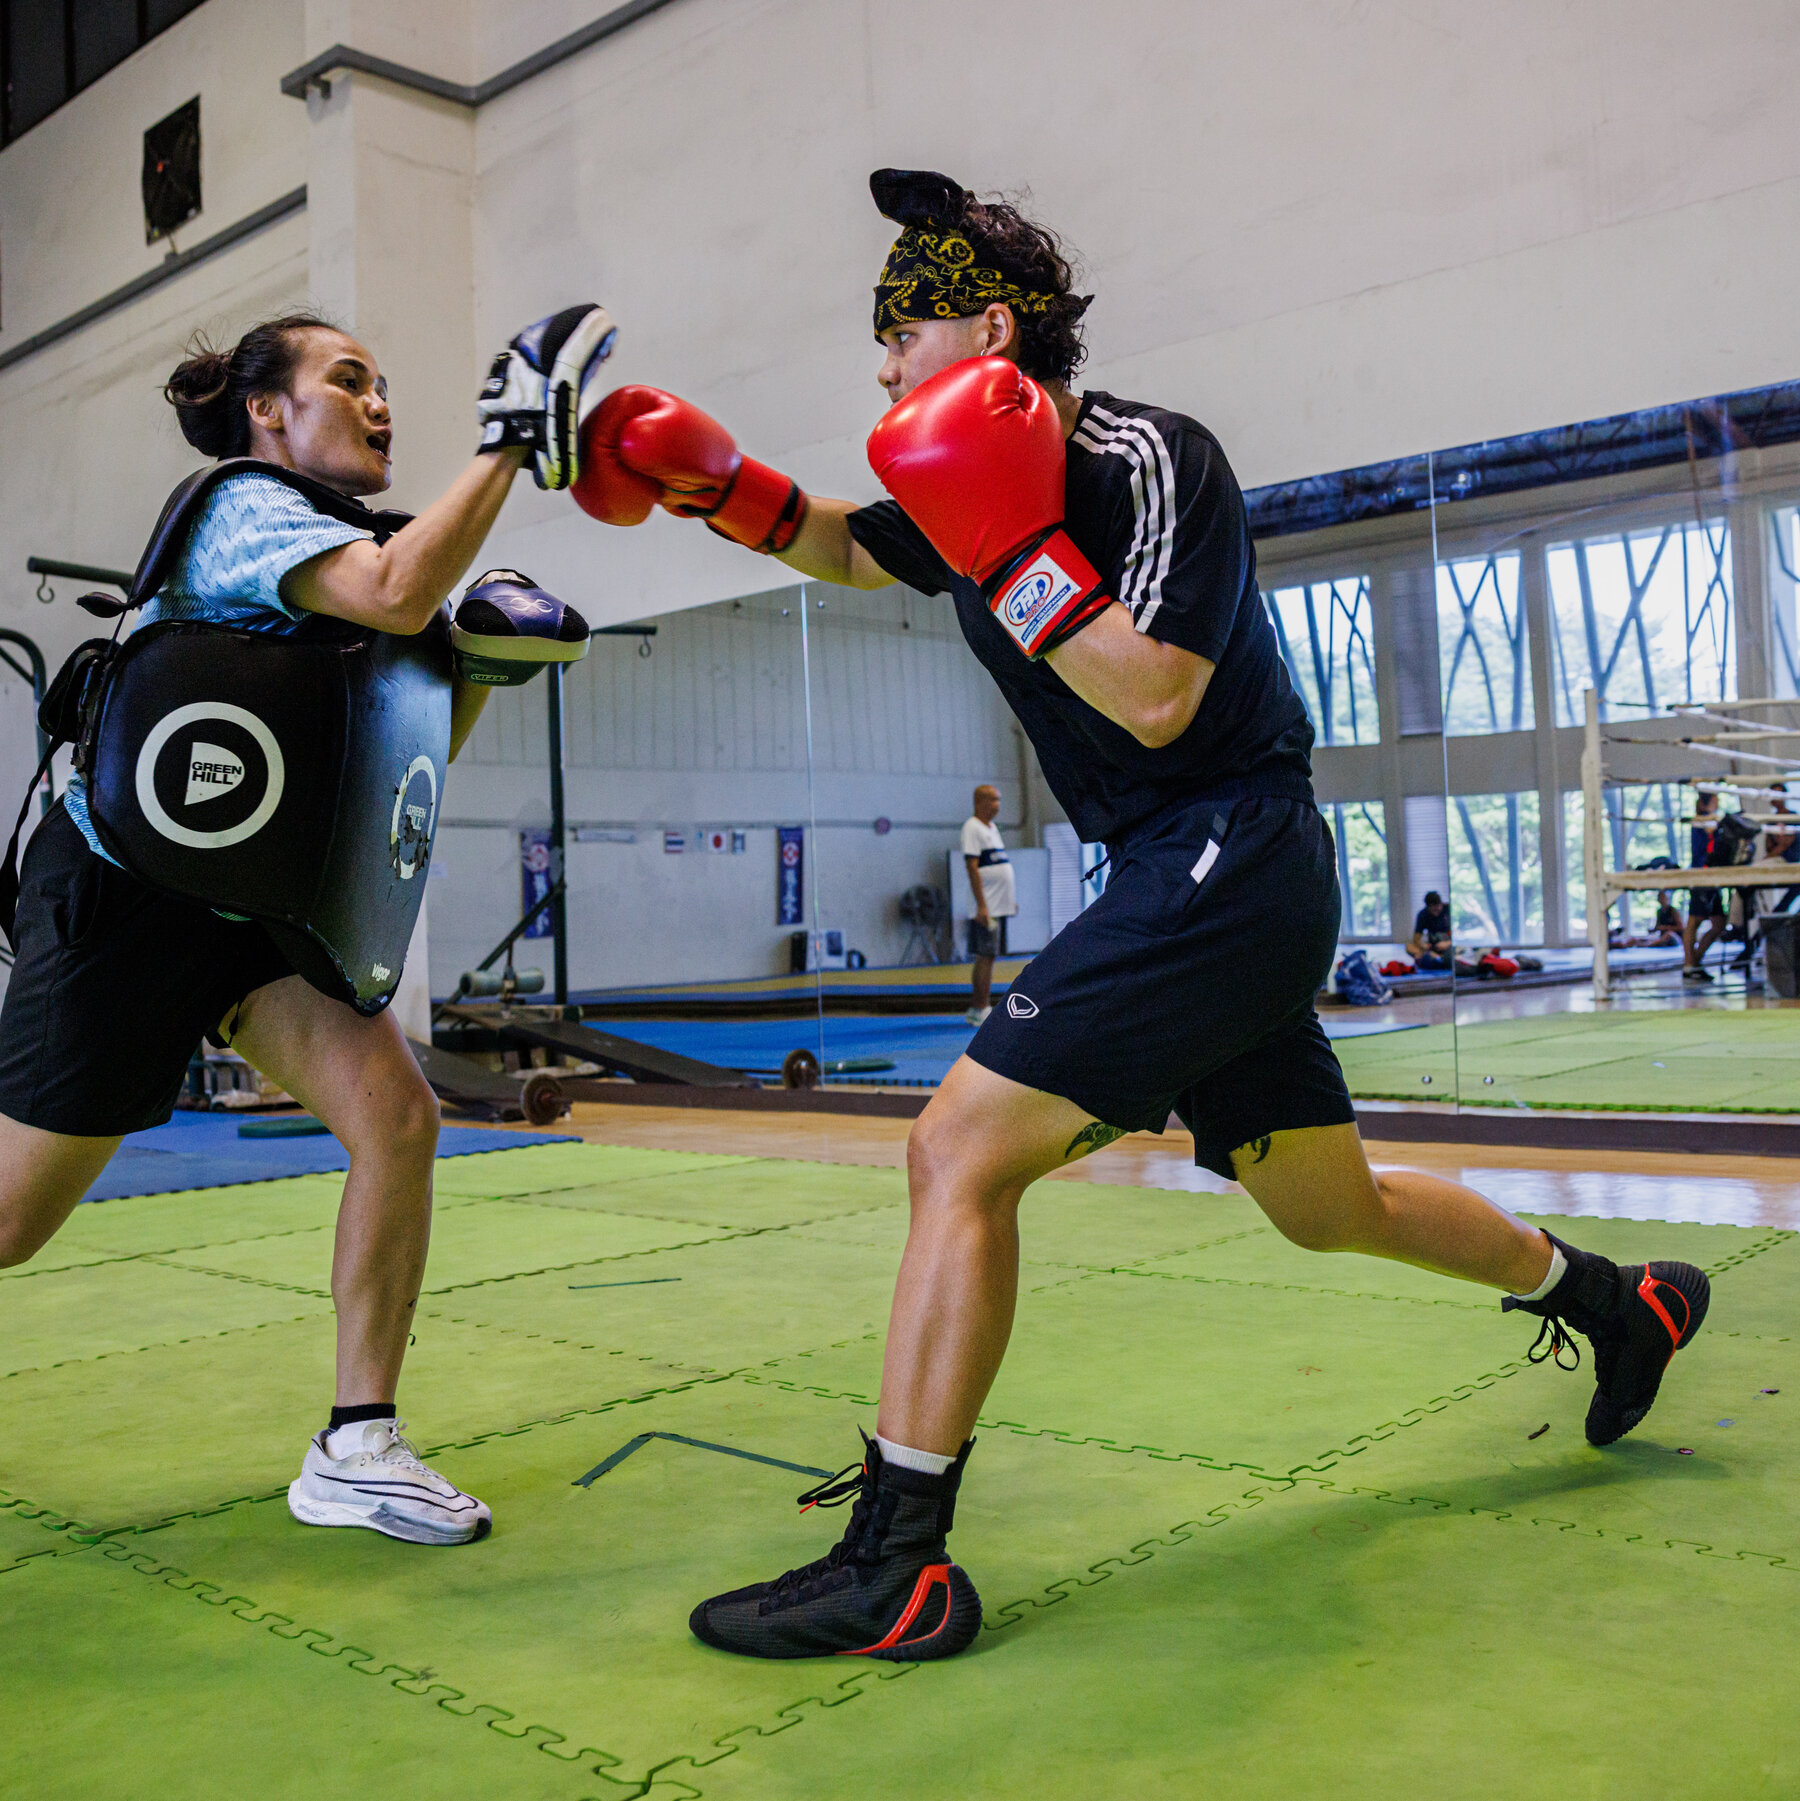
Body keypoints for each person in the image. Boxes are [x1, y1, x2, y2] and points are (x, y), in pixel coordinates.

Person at [575, 169, 1711, 1660]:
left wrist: (1005, 547)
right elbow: (853, 545)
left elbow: (1163, 699)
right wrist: (712, 483)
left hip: (1228, 844)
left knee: (958, 1146)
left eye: (899, 337)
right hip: (1182, 871)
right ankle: (1620, 1301)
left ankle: (899, 1562)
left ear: (988, 328)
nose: (881, 368)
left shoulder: (1148, 456)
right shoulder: (956, 487)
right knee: (1330, 1207)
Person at [0, 303, 612, 1545]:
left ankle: (357, 1444)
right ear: (269, 411)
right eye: (349, 380)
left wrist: (483, 665)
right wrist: (507, 440)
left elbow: (397, 781)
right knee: (9, 1227)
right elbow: (396, 592)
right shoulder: (245, 510)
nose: (380, 402)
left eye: (386, 382)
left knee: (397, 1116)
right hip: (126, 899)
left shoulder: (363, 553)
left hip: (251, 911)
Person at [960, 783, 1015, 1024]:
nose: (998, 806)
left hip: (999, 905)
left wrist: (1010, 900)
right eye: (993, 800)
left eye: (999, 800)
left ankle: (982, 1006)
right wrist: (982, 905)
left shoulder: (992, 828)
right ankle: (979, 1007)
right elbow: (972, 867)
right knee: (985, 955)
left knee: (991, 956)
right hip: (988, 907)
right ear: (979, 801)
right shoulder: (972, 828)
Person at [1683, 788, 1728, 982]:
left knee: (1719, 923)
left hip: (1714, 876)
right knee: (1695, 920)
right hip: (1702, 876)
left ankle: (1695, 961)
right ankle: (1689, 965)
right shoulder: (1700, 822)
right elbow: (1704, 849)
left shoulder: (1714, 822)